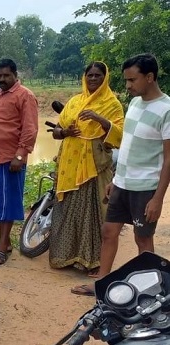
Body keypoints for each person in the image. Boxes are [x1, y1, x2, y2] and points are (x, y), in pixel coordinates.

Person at [71, 53, 170, 296]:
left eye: (132, 80)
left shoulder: (166, 110)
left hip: (146, 188)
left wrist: (158, 198)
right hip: (123, 184)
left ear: (150, 77)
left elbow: (169, 158)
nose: (127, 86)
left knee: (142, 239)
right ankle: (101, 283)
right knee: (109, 232)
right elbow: (127, 146)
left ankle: (150, 290)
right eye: (126, 80)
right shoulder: (135, 104)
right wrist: (116, 179)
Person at [49, 62, 124, 275]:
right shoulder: (74, 102)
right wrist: (66, 132)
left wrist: (99, 119)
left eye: (97, 75)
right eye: (89, 75)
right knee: (69, 212)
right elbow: (56, 131)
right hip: (70, 165)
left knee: (95, 214)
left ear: (105, 78)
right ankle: (68, 256)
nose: (92, 79)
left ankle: (94, 261)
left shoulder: (112, 104)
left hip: (95, 165)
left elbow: (119, 135)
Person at [0, 59, 39, 265]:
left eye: (6, 76)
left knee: (6, 203)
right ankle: (1, 242)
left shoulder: (25, 96)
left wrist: (20, 156)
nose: (2, 79)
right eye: (0, 76)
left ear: (15, 75)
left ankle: (3, 246)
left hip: (8, 159)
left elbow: (30, 129)